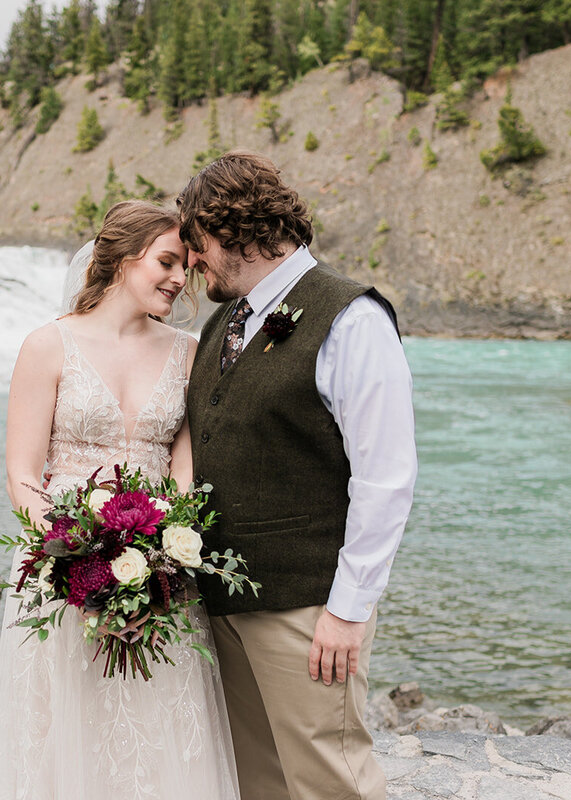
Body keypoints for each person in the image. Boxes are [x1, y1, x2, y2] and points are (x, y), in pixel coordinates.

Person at [177, 151, 417, 800]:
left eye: (195, 244)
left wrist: (348, 610)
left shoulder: (354, 319)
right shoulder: (222, 323)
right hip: (224, 606)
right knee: (260, 784)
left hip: (306, 611)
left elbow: (386, 477)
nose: (192, 263)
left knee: (330, 782)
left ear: (230, 231)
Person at [0, 200, 240, 800]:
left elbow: (183, 475)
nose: (181, 278)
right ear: (124, 260)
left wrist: (161, 561)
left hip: (160, 573)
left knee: (156, 741)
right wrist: (75, 562)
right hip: (60, 574)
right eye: (167, 261)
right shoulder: (48, 345)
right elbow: (22, 475)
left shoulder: (188, 353)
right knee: (67, 738)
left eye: (184, 266)